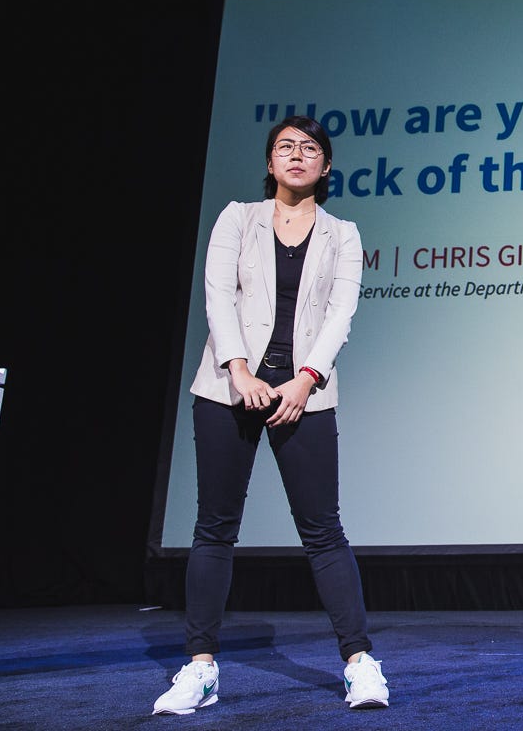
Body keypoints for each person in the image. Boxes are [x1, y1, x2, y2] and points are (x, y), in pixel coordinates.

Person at [152, 115, 389, 714]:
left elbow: (340, 314)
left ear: (325, 166)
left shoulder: (343, 234)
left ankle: (360, 663)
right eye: (285, 146)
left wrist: (304, 381)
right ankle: (201, 668)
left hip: (304, 394)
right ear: (269, 162)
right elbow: (218, 296)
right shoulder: (237, 218)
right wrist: (239, 371)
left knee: (323, 530)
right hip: (229, 388)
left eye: (310, 148)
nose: (297, 154)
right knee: (215, 527)